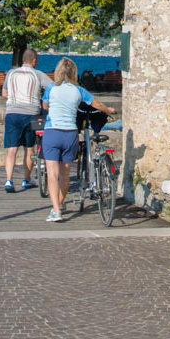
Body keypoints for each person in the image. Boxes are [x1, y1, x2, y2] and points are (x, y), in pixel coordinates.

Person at [40, 57, 113, 222]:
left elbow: (45, 106)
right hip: (70, 134)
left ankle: (56, 210)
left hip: (52, 132)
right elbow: (96, 104)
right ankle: (58, 204)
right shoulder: (79, 90)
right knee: (65, 174)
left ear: (58, 72)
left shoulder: (51, 89)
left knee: (52, 173)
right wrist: (108, 110)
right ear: (74, 73)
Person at [0, 48, 51, 192]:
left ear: (23, 59)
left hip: (12, 113)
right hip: (31, 114)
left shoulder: (11, 73)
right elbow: (53, 88)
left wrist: (15, 98)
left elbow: (4, 93)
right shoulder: (38, 74)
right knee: (29, 149)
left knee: (11, 149)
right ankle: (26, 180)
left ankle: (9, 181)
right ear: (34, 61)